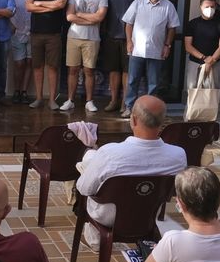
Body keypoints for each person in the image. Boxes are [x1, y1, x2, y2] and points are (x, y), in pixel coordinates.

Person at [75, 96, 188, 246]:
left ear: (133, 120)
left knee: (89, 163)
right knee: (93, 160)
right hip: (148, 214)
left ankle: (95, 239)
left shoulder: (109, 152)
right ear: (162, 122)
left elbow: (84, 188)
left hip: (109, 216)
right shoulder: (178, 155)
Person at [120, 0, 180, 116]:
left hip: (157, 50)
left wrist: (167, 45)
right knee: (132, 80)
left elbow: (172, 28)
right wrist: (129, 41)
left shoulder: (168, 6)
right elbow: (129, 23)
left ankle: (150, 110)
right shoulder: (137, 3)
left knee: (154, 83)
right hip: (137, 50)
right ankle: (129, 107)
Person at [102, 0, 148, 113]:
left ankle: (125, 103)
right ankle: (113, 100)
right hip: (111, 35)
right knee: (113, 70)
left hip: (132, 38)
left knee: (128, 71)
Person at [60, 0, 108, 112]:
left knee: (89, 71)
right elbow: (69, 16)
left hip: (92, 39)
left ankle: (89, 101)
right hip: (74, 37)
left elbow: (100, 17)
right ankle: (70, 100)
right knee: (73, 70)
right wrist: (90, 20)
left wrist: (80, 15)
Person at [26, 0, 67, 109]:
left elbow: (61, 5)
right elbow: (29, 6)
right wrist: (50, 7)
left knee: (53, 67)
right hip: (36, 34)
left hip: (54, 35)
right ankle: (38, 98)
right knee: (37, 67)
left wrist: (39, 4)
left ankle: (52, 100)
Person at [183, 0, 220, 91]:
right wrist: (204, 58)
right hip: (195, 63)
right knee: (192, 92)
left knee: (211, 93)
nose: (209, 9)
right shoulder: (193, 24)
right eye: (207, 6)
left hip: (214, 63)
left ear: (216, 7)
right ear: (200, 6)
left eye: (212, 7)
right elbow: (188, 46)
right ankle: (192, 108)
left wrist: (211, 61)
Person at [8, 0, 34, 104]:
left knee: (30, 62)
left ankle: (24, 92)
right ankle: (16, 91)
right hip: (17, 32)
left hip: (32, 32)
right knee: (19, 63)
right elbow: (8, 11)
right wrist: (11, 25)